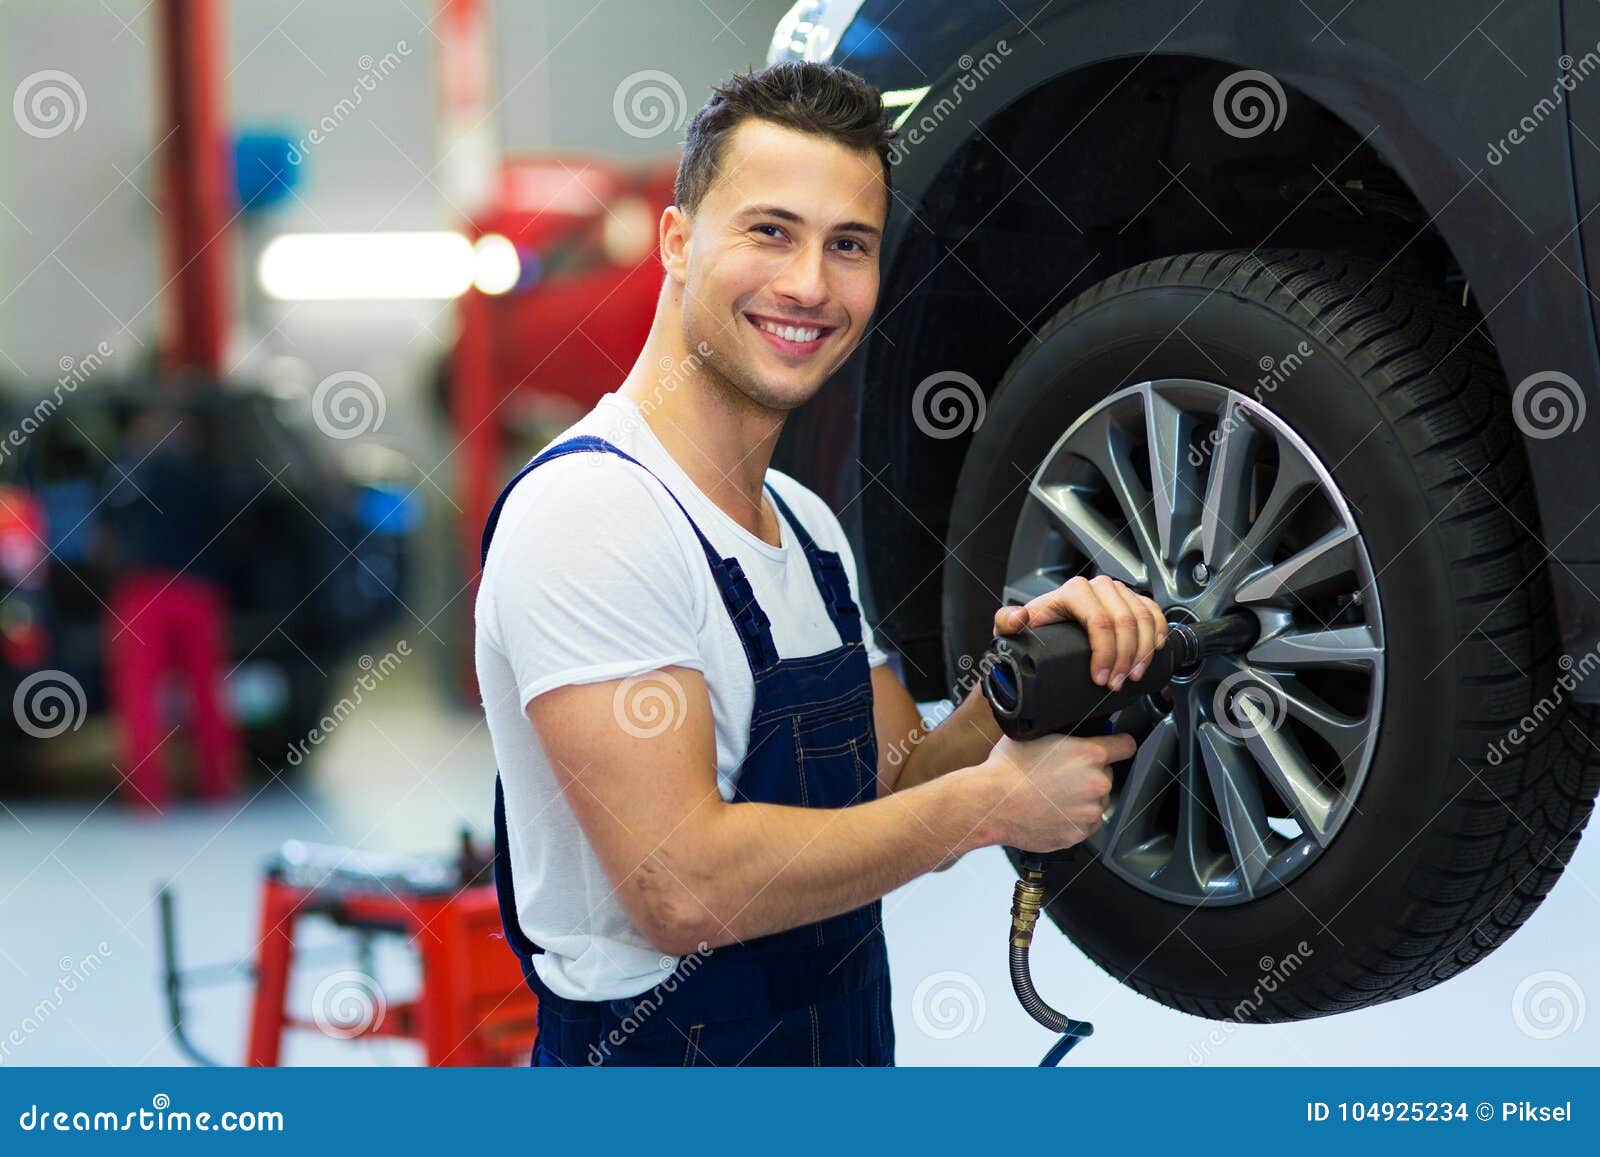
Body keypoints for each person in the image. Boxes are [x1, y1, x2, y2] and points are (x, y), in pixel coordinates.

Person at [475, 61, 1168, 1067]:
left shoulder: (805, 525)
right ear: (677, 239)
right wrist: (988, 805)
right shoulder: (593, 511)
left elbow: (889, 793)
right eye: (770, 231)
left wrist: (1008, 692)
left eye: (847, 245)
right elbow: (681, 886)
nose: (808, 284)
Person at [101, 403, 243, 809]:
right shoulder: (205, 476)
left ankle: (148, 794)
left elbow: (103, 537)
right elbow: (233, 531)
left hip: (143, 594)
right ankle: (218, 786)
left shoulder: (127, 474)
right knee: (207, 689)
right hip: (198, 592)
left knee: (140, 693)